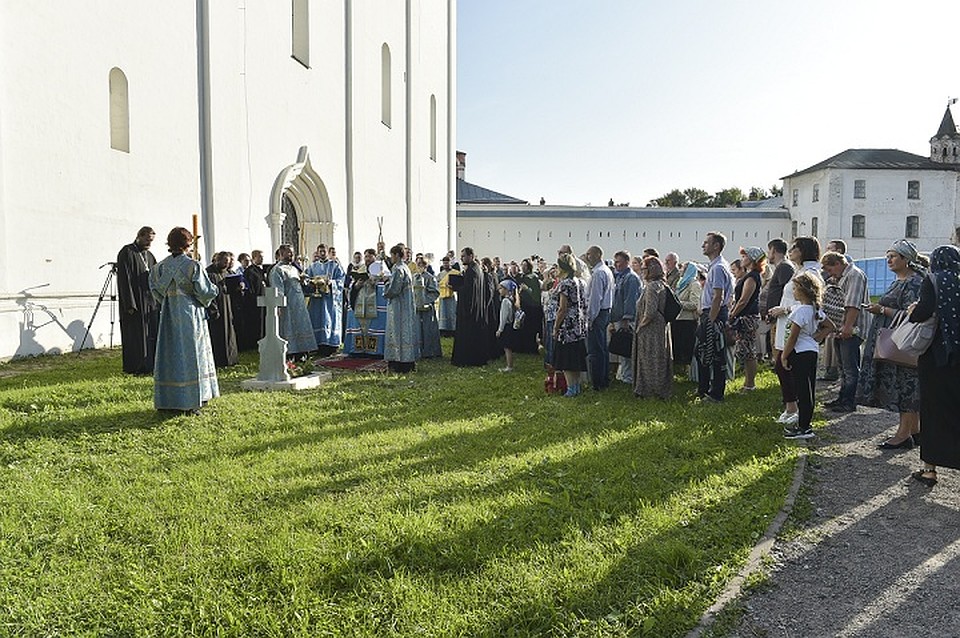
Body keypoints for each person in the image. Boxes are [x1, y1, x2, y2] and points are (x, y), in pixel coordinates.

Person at [857, 240, 924, 450]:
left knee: (906, 387)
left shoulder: (914, 282)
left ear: (906, 260)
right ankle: (915, 431)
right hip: (893, 342)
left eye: (893, 256)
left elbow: (914, 315)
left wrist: (882, 310)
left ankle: (903, 434)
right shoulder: (899, 280)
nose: (889, 260)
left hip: (902, 344)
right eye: (888, 256)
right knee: (903, 386)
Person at [149, 227, 219, 415]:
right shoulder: (193, 266)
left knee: (169, 353)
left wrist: (168, 300)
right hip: (190, 314)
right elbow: (205, 292)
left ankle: (168, 400)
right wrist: (214, 290)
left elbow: (155, 290)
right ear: (188, 243)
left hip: (169, 314)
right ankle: (191, 400)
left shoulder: (159, 267)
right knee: (191, 353)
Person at [909, 245, 960, 487]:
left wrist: (912, 310)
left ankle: (930, 469)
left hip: (938, 355)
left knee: (932, 409)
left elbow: (922, 312)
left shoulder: (933, 279)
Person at [768, 237, 821, 425]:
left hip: (798, 326)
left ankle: (798, 410)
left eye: (795, 248)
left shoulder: (812, 271)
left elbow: (811, 301)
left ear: (804, 250)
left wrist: (785, 309)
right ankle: (792, 407)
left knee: (788, 367)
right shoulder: (800, 270)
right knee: (783, 366)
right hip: (788, 322)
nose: (791, 251)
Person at [780, 271, 832, 440]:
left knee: (802, 390)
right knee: (808, 389)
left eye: (795, 288)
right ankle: (805, 423)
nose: (793, 291)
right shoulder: (815, 309)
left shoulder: (800, 311)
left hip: (799, 352)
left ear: (803, 290)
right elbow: (830, 326)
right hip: (811, 351)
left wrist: (784, 355)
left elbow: (793, 336)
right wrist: (816, 338)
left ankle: (804, 427)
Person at [821, 250, 870, 413]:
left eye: (830, 269)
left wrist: (848, 326)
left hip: (852, 328)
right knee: (842, 366)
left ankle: (849, 401)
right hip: (840, 328)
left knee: (850, 368)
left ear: (838, 264)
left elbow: (853, 304)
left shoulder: (854, 275)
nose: (829, 273)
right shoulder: (840, 277)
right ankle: (842, 397)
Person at [695, 231, 733, 402]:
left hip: (714, 314)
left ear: (716, 246)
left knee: (715, 354)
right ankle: (704, 389)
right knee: (703, 352)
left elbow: (719, 295)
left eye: (706, 242)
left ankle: (716, 393)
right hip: (712, 312)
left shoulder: (718, 267)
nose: (703, 245)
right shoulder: (716, 266)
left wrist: (710, 319)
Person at [116, 226, 159, 374]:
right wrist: (130, 303)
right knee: (136, 335)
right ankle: (136, 366)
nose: (149, 243)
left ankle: (150, 363)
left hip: (150, 300)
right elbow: (124, 280)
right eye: (147, 240)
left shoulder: (150, 256)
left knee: (150, 334)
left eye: (151, 241)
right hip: (134, 301)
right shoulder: (127, 252)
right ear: (139, 236)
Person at [632, 256, 673, 399]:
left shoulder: (651, 287)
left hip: (651, 328)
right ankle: (661, 389)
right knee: (659, 359)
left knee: (649, 359)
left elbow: (650, 312)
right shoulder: (661, 284)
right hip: (661, 326)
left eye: (644, 268)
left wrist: (640, 326)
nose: (642, 271)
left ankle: (649, 390)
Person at [269, 244, 318, 358]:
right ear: (281, 254)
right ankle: (290, 353)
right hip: (287, 305)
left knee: (301, 326)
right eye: (288, 252)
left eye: (292, 252)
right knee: (288, 328)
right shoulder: (277, 270)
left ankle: (303, 352)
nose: (291, 255)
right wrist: (279, 305)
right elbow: (277, 289)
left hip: (299, 304)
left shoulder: (294, 268)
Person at [552, 253, 588, 397]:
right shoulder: (579, 282)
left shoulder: (565, 284)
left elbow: (562, 308)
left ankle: (571, 388)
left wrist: (556, 327)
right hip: (578, 324)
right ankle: (577, 386)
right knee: (576, 358)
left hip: (567, 326)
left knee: (566, 359)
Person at [730, 247, 765, 391]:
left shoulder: (752, 277)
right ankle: (748, 382)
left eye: (745, 257)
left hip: (748, 316)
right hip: (746, 316)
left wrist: (732, 314)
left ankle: (750, 384)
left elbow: (744, 300)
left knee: (749, 351)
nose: (742, 259)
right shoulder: (750, 275)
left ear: (752, 259)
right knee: (746, 350)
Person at [382, 243, 419, 372]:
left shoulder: (398, 269)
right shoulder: (406, 267)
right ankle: (408, 361)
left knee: (397, 332)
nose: (391, 258)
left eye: (392, 255)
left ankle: (398, 362)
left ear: (397, 255)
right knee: (406, 332)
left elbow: (394, 289)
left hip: (398, 306)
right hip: (406, 305)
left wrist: (386, 284)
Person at [304, 243, 345, 357]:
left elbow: (342, 280)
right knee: (317, 319)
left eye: (324, 251)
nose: (322, 253)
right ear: (317, 252)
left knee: (330, 319)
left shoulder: (335, 265)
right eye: (320, 251)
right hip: (317, 300)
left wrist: (332, 283)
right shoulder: (312, 266)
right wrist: (311, 283)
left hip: (330, 299)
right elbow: (307, 279)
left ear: (327, 252)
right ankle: (317, 345)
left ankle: (331, 345)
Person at [450, 247, 488, 366]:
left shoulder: (472, 271)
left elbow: (468, 291)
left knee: (468, 335)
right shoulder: (475, 269)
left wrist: (455, 287)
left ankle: (468, 359)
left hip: (470, 310)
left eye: (463, 256)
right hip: (475, 308)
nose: (461, 258)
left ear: (471, 256)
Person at [609, 250, 642, 384]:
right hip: (618, 317)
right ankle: (623, 374)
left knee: (627, 348)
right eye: (615, 262)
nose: (616, 264)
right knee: (621, 348)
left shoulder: (631, 278)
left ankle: (628, 376)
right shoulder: (620, 277)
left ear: (626, 262)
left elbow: (630, 300)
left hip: (626, 319)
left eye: (619, 262)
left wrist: (626, 319)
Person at [584, 245, 614, 391]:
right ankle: (604, 379)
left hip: (598, 313)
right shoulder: (606, 271)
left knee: (595, 350)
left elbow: (595, 299)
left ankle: (597, 382)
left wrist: (589, 319)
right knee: (602, 348)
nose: (587, 256)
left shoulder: (598, 273)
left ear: (597, 255)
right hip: (605, 311)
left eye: (589, 254)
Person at [205, 251, 240, 367]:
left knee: (229, 332)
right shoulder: (209, 273)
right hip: (217, 307)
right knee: (218, 334)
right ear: (217, 260)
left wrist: (238, 287)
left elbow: (230, 290)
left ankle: (231, 358)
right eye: (224, 261)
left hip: (227, 305)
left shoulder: (227, 273)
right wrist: (213, 310)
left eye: (228, 261)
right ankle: (219, 360)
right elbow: (208, 293)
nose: (226, 263)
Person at [672, 261, 702, 376]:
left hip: (688, 320)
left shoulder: (694, 284)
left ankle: (688, 370)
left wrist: (678, 303)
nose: (681, 270)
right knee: (678, 345)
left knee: (687, 346)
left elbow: (694, 303)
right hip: (678, 319)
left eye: (684, 268)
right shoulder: (681, 283)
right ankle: (679, 369)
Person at [413, 254, 442, 358]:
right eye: (418, 264)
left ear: (425, 266)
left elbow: (435, 292)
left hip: (427, 308)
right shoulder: (414, 277)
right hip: (416, 308)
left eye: (421, 264)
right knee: (417, 329)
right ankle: (419, 350)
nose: (419, 266)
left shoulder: (430, 277)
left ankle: (430, 352)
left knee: (428, 329)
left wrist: (426, 301)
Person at [240, 249, 266, 350]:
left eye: (262, 257)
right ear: (253, 258)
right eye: (259, 257)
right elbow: (250, 287)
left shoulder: (261, 270)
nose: (262, 259)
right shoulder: (250, 271)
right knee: (254, 323)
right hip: (253, 301)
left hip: (262, 299)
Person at [515, 259, 543, 353]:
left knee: (531, 329)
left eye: (525, 266)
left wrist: (527, 289)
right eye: (522, 265)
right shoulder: (522, 277)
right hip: (524, 305)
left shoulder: (533, 277)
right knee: (524, 327)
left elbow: (536, 294)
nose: (523, 267)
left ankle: (531, 348)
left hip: (533, 307)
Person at [495, 279, 519, 372]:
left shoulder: (505, 301)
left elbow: (503, 317)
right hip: (511, 325)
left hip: (506, 326)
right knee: (509, 347)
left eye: (501, 288)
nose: (499, 290)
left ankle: (509, 366)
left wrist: (500, 330)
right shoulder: (511, 299)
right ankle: (510, 364)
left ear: (506, 289)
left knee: (507, 348)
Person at [437, 255, 458, 335]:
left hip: (452, 296)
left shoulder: (455, 273)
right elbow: (437, 284)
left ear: (450, 263)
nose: (446, 265)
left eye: (447, 263)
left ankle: (452, 330)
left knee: (452, 313)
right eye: (444, 263)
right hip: (443, 296)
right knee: (443, 313)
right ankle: (443, 330)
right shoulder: (440, 274)